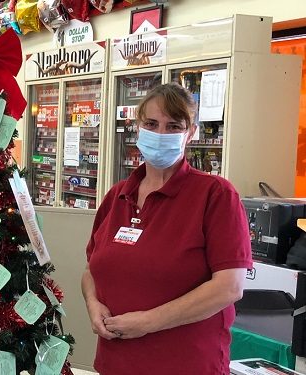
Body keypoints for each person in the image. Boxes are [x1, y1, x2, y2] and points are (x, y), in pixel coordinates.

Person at [81, 83, 252, 374]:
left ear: (191, 133)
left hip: (184, 364)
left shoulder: (215, 195)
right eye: (151, 123)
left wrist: (148, 322)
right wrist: (93, 303)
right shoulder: (117, 196)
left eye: (174, 126)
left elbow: (229, 287)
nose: (160, 134)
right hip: (116, 362)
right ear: (138, 127)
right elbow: (91, 270)